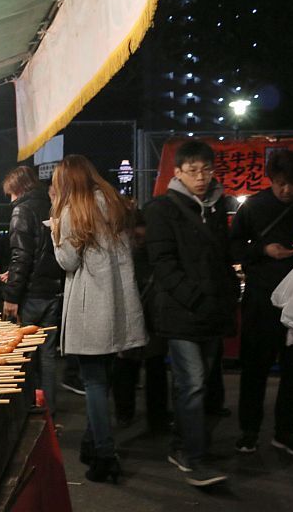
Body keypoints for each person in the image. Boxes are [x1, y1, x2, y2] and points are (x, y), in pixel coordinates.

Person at [145, 140, 238, 486]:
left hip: (212, 312)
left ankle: (184, 443)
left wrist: (225, 298)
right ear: (178, 173)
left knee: (194, 385)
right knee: (194, 382)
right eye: (193, 171)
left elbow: (222, 259)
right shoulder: (161, 209)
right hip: (181, 313)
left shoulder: (216, 208)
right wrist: (197, 298)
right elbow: (163, 264)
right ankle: (193, 457)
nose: (201, 177)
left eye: (207, 170)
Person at [51, 155, 145, 484]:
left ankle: (105, 455)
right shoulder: (113, 205)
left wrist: (55, 228)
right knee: (100, 382)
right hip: (115, 307)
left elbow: (67, 262)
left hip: (91, 309)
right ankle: (93, 444)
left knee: (92, 382)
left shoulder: (71, 212)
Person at [231, 149, 293, 458]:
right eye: (280, 183)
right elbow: (233, 246)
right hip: (262, 299)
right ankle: (249, 431)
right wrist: (263, 250)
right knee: (255, 368)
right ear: (270, 180)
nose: (286, 190)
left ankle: (285, 433)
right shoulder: (254, 206)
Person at [1, 166, 64, 420]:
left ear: (17, 188)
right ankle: (48, 408)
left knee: (24, 352)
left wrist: (12, 295)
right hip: (53, 291)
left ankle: (25, 406)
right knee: (47, 355)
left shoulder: (22, 210)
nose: (10, 200)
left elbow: (21, 255)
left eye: (10, 194)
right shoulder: (52, 206)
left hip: (30, 294)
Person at [112, 210, 170, 432]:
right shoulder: (124, 255)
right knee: (129, 366)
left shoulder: (148, 254)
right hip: (134, 316)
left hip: (152, 316)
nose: (136, 235)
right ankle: (134, 413)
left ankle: (142, 415)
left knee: (148, 367)